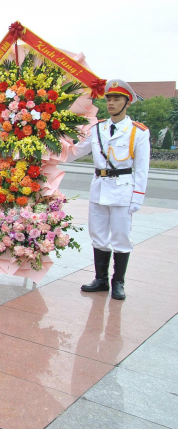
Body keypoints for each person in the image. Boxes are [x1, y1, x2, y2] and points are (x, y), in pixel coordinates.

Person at [69, 80, 150, 300]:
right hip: (99, 188)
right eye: (109, 99)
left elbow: (142, 169)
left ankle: (118, 282)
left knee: (121, 237)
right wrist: (47, 148)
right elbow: (74, 151)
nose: (112, 103)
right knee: (98, 235)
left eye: (117, 99)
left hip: (123, 190)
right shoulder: (97, 128)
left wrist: (138, 197)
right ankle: (101, 279)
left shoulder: (138, 132)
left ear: (127, 103)